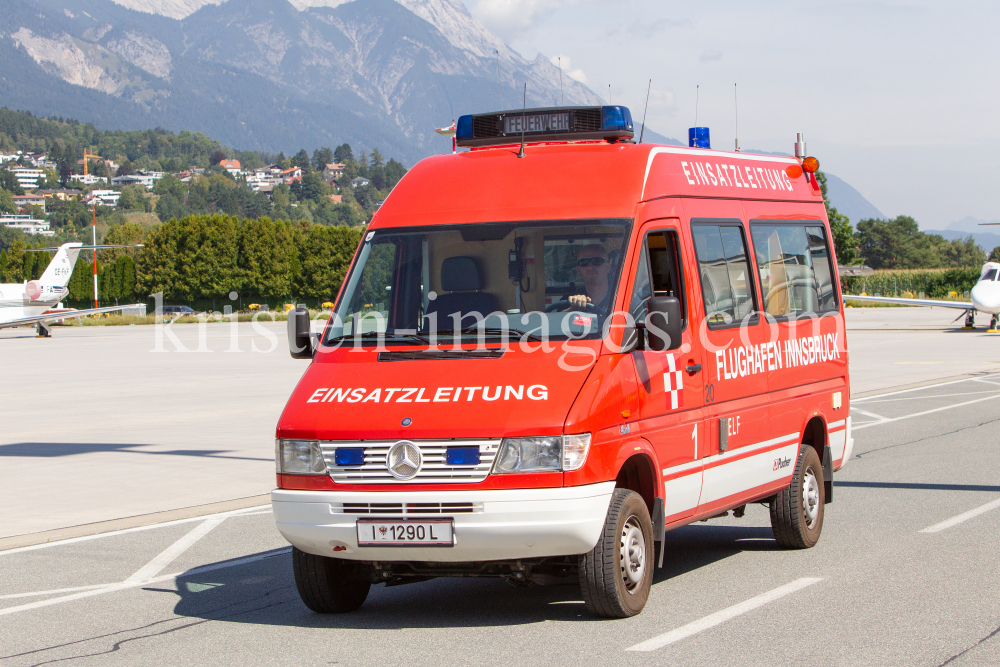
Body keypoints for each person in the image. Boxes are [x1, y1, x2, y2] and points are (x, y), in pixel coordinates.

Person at [566, 244, 612, 313]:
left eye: (597, 261)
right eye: (584, 262)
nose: (590, 267)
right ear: (579, 271)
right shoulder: (569, 300)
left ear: (608, 267)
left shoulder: (624, 297)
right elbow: (556, 320)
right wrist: (572, 310)